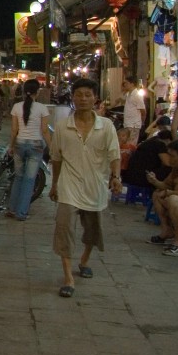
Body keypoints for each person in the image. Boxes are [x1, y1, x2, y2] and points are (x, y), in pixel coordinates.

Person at [49, 78, 121, 298]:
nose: (83, 99)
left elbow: (114, 154)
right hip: (69, 186)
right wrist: (54, 185)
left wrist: (116, 177)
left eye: (87, 95)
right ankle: (68, 278)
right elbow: (56, 158)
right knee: (64, 228)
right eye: (78, 94)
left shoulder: (106, 126)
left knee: (92, 230)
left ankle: (84, 260)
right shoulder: (63, 127)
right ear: (73, 98)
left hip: (95, 186)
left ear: (94, 98)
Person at [6, 78, 51, 221]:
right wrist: (52, 146)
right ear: (37, 92)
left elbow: (14, 130)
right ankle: (21, 213)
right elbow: (44, 131)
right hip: (36, 146)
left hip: (19, 144)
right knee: (29, 180)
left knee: (18, 177)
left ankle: (12, 209)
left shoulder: (16, 107)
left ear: (25, 91)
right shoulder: (42, 108)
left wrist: (11, 146)